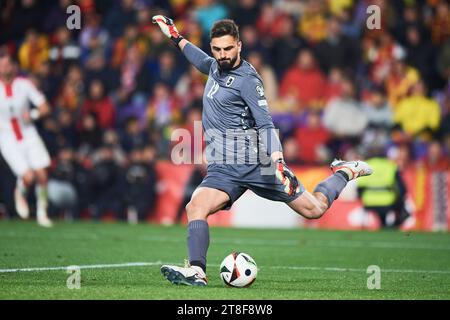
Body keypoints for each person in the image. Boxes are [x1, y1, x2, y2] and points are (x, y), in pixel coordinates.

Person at [152, 16, 373, 286]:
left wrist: (278, 162)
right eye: (217, 49)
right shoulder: (213, 67)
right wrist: (175, 36)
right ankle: (197, 271)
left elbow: (266, 124)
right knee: (195, 206)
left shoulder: (248, 80)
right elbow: (199, 59)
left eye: (228, 49)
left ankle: (343, 172)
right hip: (223, 167)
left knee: (314, 210)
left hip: (257, 164)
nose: (222, 55)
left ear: (239, 46)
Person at [0, 53, 53, 227]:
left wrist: (32, 114)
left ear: (14, 66)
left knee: (42, 175)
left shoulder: (24, 84)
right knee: (28, 176)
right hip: (7, 138)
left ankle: (42, 212)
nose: (5, 68)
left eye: (7, 65)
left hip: (28, 133)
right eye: (2, 65)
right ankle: (20, 192)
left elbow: (45, 107)